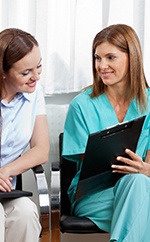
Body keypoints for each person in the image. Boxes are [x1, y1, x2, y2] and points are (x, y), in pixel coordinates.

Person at [62, 24, 150, 242]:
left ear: (133, 58)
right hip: (96, 196)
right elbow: (92, 173)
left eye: (110, 57)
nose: (102, 66)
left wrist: (144, 169)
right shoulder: (81, 105)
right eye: (98, 58)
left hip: (141, 186)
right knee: (140, 192)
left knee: (138, 184)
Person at [0, 28, 50, 242]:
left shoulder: (35, 93)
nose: (36, 76)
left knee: (26, 213)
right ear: (3, 71)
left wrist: (7, 170)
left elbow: (41, 149)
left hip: (5, 189)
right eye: (26, 72)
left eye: (38, 66)